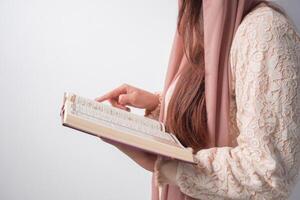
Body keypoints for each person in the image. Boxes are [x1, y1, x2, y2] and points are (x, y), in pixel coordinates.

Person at [95, 0, 300, 199]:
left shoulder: (265, 31)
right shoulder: (205, 21)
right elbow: (221, 111)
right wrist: (159, 104)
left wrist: (169, 168)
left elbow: (269, 174)